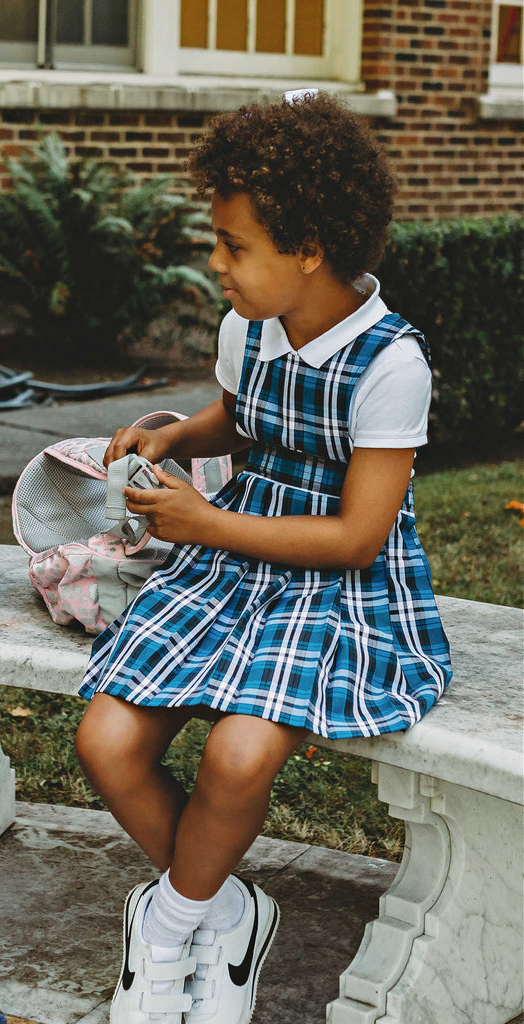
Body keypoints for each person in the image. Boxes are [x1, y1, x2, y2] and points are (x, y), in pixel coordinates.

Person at [74, 91, 452, 1024]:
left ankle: (164, 933)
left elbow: (357, 535)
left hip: (335, 582)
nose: (215, 264)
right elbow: (245, 420)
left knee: (238, 756)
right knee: (105, 741)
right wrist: (174, 435)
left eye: (233, 245)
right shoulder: (248, 327)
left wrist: (202, 524)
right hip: (234, 560)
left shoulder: (388, 363)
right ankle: (222, 907)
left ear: (308, 249)